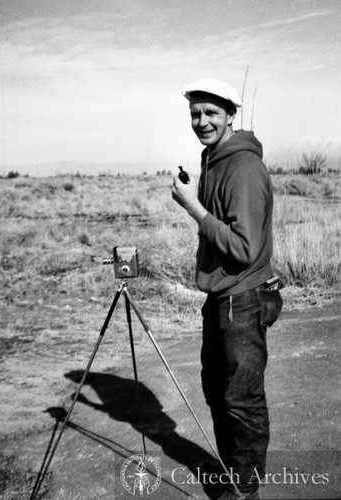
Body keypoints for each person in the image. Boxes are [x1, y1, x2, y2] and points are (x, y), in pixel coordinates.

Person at [172, 78, 283, 500]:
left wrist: (193, 207)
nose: (201, 122)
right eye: (195, 114)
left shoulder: (243, 167)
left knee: (242, 400)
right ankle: (232, 475)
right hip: (221, 296)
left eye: (211, 114)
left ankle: (245, 491)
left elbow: (243, 246)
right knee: (218, 393)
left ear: (231, 115)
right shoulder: (213, 158)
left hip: (244, 297)